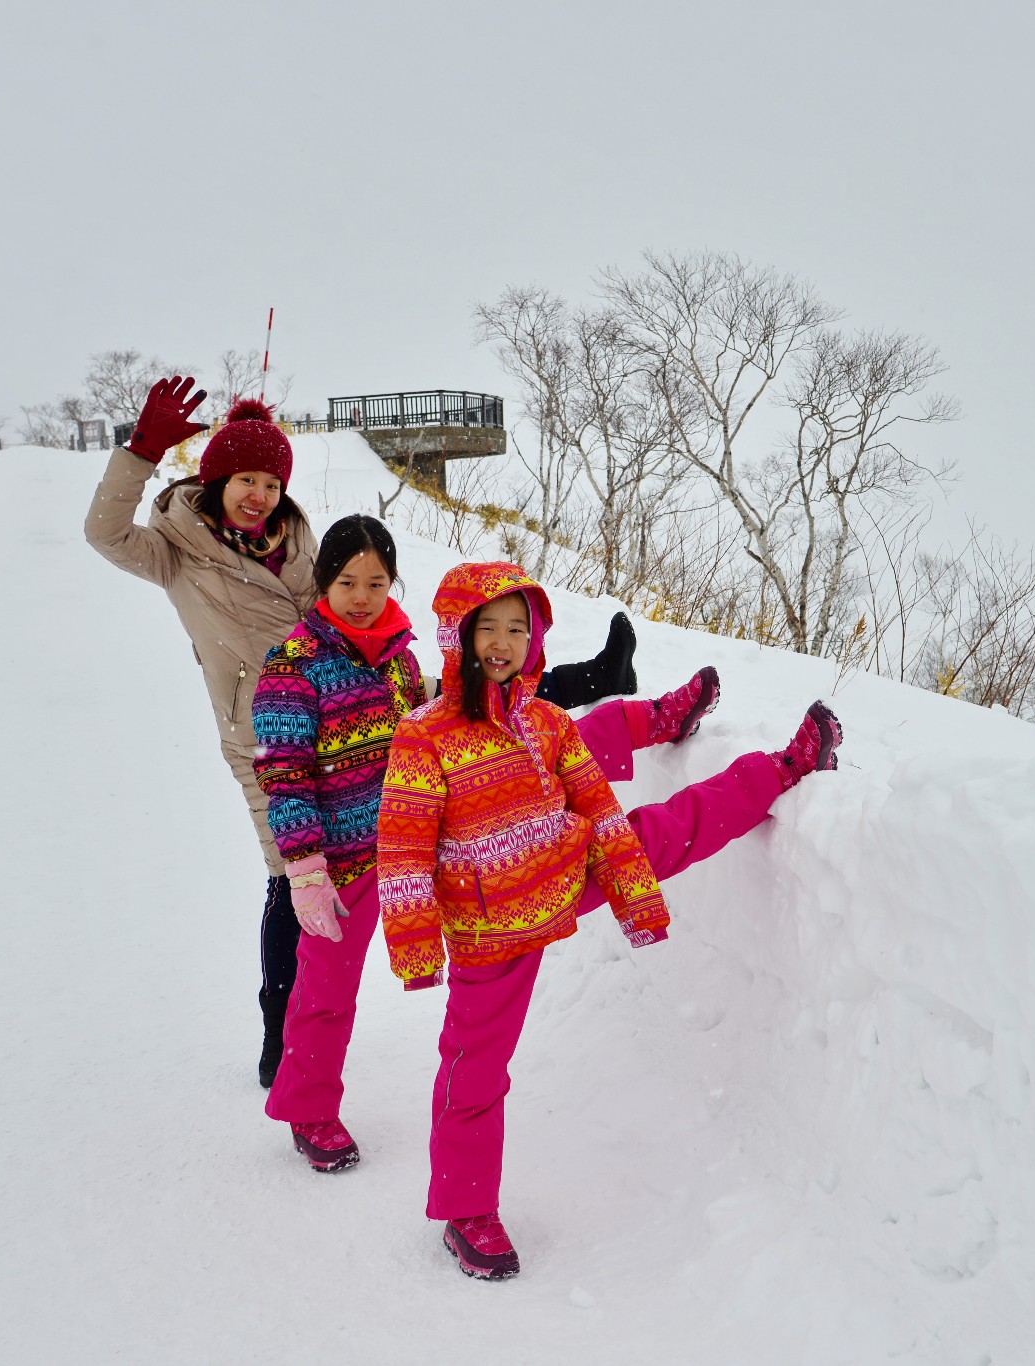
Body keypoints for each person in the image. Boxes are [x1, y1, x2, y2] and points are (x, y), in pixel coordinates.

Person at [83, 376, 639, 1087]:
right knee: (292, 877)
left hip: (362, 705)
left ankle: (595, 679)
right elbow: (104, 534)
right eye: (244, 479)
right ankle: (279, 1029)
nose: (258, 494)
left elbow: (350, 606)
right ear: (217, 480)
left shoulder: (298, 538)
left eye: (269, 480)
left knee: (483, 712)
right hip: (273, 736)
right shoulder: (178, 548)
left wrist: (398, 662)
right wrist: (140, 452)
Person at [377, 562, 844, 1280]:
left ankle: (781, 768)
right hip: (489, 934)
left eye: (517, 629)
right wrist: (415, 951)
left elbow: (598, 808)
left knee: (667, 828)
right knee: (474, 1071)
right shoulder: (426, 734)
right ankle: (466, 1210)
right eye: (487, 629)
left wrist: (633, 892)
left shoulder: (546, 720)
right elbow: (404, 847)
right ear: (457, 637)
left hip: (563, 878)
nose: (502, 643)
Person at [252, 523, 719, 1173]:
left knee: (537, 745)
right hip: (346, 860)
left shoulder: (400, 655)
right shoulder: (292, 666)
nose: (361, 597)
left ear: (393, 585)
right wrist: (305, 868)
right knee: (326, 988)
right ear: (323, 583)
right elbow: (283, 772)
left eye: (376, 583)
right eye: (347, 583)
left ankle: (658, 717)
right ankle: (308, 1107)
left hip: (430, 835)